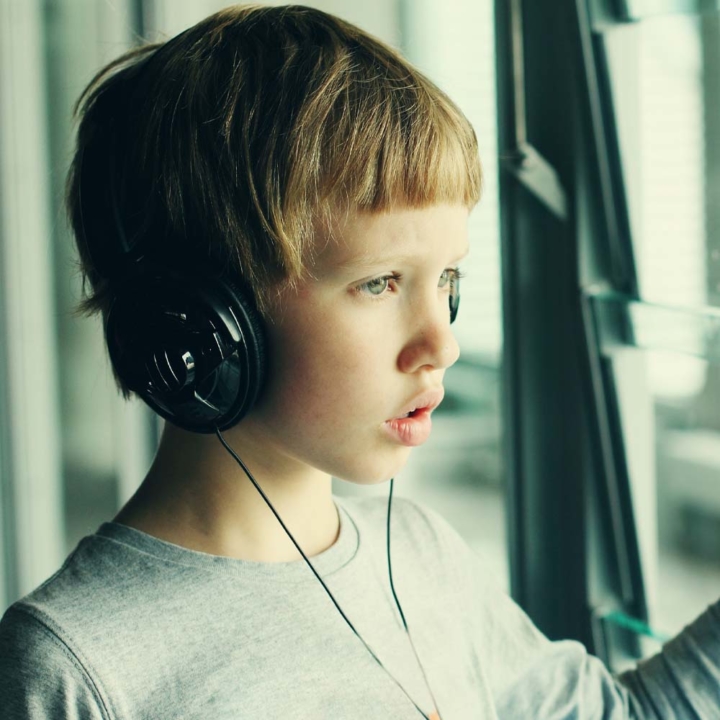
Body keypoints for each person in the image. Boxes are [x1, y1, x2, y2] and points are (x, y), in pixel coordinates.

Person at [0, 4, 718, 719]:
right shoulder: (75, 669)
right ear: (207, 323)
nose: (443, 343)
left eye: (448, 281)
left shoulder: (421, 555)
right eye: (379, 283)